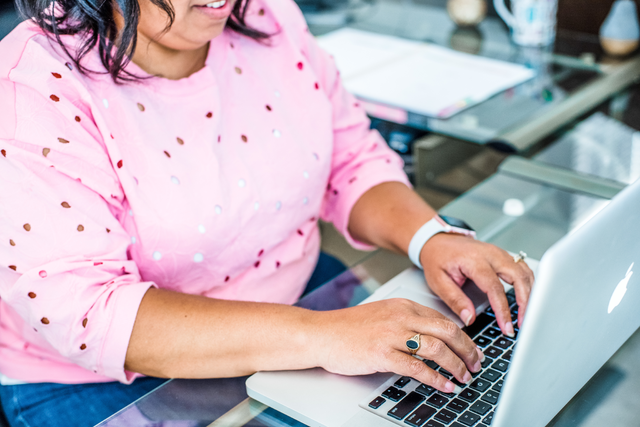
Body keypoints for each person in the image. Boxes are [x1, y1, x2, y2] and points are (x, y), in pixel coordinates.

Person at [0, 0, 534, 424]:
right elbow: (96, 316)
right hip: (107, 382)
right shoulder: (34, 85)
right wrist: (327, 337)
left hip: (301, 306)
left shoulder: (266, 14)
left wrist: (431, 238)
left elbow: (350, 158)